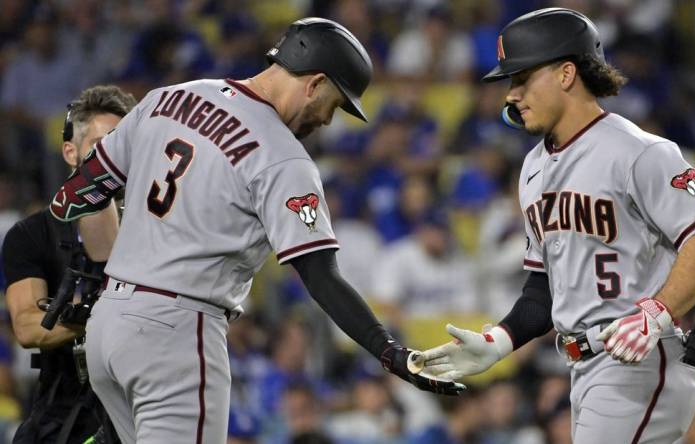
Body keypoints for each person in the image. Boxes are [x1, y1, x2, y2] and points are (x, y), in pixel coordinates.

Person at [47, 17, 464, 444]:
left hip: (108, 328)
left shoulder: (168, 98)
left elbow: (74, 197)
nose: (327, 121)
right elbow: (321, 277)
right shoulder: (284, 158)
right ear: (315, 83)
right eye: (335, 105)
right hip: (176, 335)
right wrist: (389, 352)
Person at [421, 8, 695, 444]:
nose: (511, 94)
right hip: (583, 367)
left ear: (566, 73)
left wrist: (656, 313)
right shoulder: (532, 168)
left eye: (522, 78)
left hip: (636, 361)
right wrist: (501, 340)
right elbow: (542, 287)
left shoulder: (641, 151)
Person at [2, 85, 137, 443]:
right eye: (102, 147)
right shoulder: (31, 235)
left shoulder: (154, 230)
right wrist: (103, 315)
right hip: (62, 416)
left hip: (139, 410)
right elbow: (28, 327)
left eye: (123, 148)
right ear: (70, 151)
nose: (114, 161)